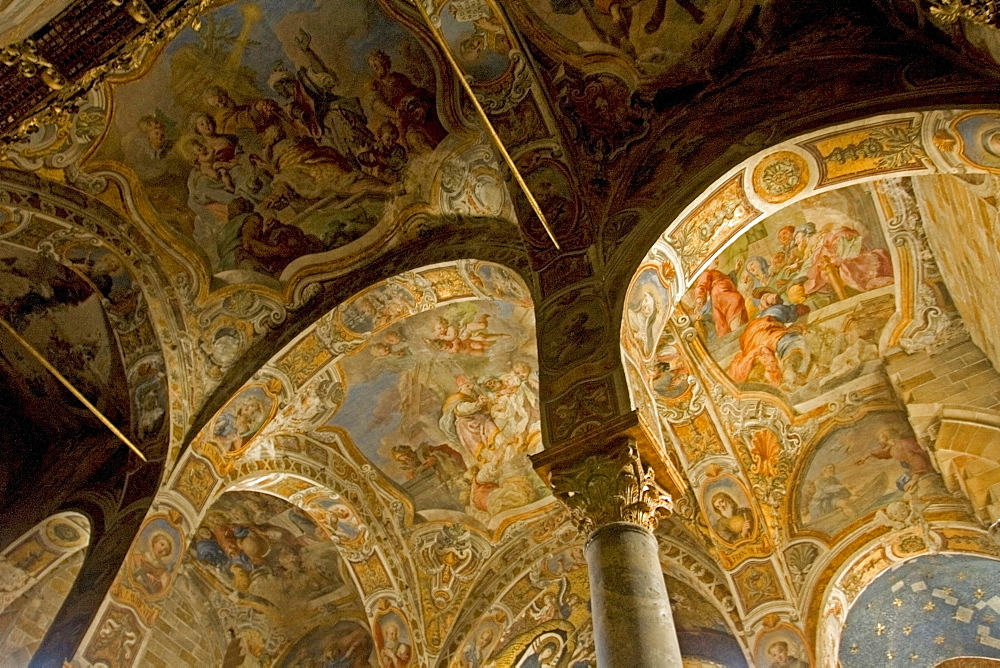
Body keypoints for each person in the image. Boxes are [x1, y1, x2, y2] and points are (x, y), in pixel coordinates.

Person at [366, 50, 446, 153]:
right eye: (372, 66)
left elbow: (415, 91)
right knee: (415, 139)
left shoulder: (399, 77)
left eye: (376, 63)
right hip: (404, 120)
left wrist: (418, 102)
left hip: (419, 110)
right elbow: (376, 104)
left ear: (384, 63)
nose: (375, 68)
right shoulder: (376, 86)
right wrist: (395, 114)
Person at [856, 427, 936, 491]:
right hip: (913, 468)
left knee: (903, 483)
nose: (878, 441)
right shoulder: (892, 447)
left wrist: (914, 479)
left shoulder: (903, 444)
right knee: (900, 483)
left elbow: (916, 460)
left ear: (887, 437)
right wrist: (866, 456)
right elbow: (883, 453)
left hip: (923, 467)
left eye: (880, 438)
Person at [694, 267, 748, 338]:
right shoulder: (707, 272)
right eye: (715, 259)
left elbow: (728, 279)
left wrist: (736, 270)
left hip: (719, 296)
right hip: (721, 292)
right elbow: (701, 285)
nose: (717, 260)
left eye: (717, 259)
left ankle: (729, 337)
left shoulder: (716, 273)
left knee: (722, 322)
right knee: (735, 301)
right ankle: (738, 332)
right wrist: (699, 299)